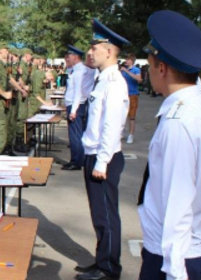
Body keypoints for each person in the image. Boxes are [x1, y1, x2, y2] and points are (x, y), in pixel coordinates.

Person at [137, 10, 201, 280]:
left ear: (161, 68)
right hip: (189, 247)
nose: (149, 73)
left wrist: (174, 272)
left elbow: (178, 200)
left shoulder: (179, 122)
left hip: (172, 257)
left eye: (150, 66)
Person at [76, 19, 130, 280]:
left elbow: (112, 125)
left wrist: (102, 161)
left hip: (103, 157)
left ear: (108, 51)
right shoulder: (101, 78)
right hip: (94, 154)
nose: (90, 52)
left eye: (94, 48)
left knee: (106, 216)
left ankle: (109, 269)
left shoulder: (114, 82)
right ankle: (101, 260)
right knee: (99, 214)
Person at [62, 45, 88, 171]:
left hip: (76, 105)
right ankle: (77, 159)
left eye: (69, 56)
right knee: (76, 134)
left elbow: (78, 92)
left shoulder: (79, 71)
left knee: (75, 135)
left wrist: (73, 111)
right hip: (74, 104)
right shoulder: (75, 70)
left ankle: (76, 161)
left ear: (76, 57)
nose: (67, 58)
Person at [120, 53, 142, 143]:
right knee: (122, 115)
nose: (126, 61)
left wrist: (127, 71)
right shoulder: (122, 70)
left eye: (127, 59)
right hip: (123, 95)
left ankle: (131, 135)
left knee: (131, 116)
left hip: (133, 95)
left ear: (131, 61)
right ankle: (122, 132)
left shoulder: (136, 69)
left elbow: (139, 79)